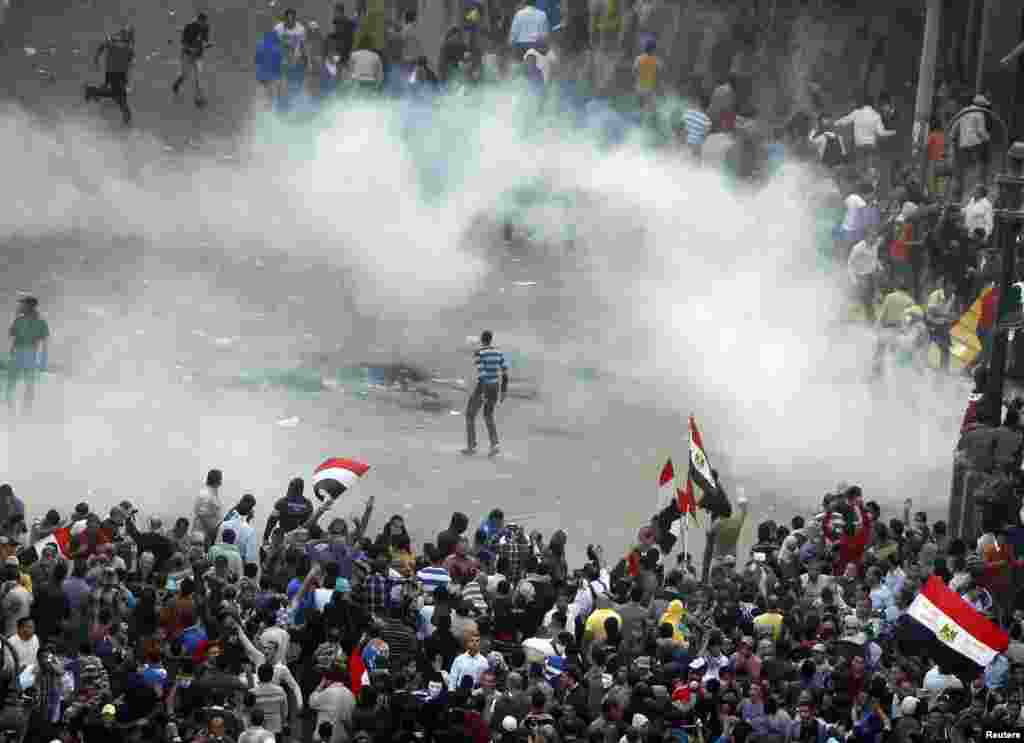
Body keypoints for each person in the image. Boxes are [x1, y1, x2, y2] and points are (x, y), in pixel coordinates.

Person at [462, 330, 509, 457]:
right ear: (490, 339)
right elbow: (505, 372)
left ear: (482, 340)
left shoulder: (479, 353)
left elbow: (482, 373)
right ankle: (495, 445)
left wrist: (482, 392)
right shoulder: (498, 352)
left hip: (484, 386)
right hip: (495, 387)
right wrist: (503, 391)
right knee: (488, 415)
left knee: (470, 414)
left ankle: (472, 446)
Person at [7, 296, 48, 416]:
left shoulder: (23, 320)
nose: (20, 306)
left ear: (29, 306)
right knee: (25, 383)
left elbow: (11, 335)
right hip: (27, 353)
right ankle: (24, 410)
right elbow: (45, 341)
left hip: (24, 353)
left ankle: (16, 410)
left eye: (23, 304)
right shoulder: (39, 321)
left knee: (15, 382)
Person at [85, 26, 134, 124]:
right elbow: (103, 45)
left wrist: (126, 79)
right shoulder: (116, 42)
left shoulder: (127, 46)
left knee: (120, 99)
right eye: (129, 35)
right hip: (114, 73)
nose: (131, 37)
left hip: (118, 74)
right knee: (120, 100)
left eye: (130, 35)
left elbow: (127, 64)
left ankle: (94, 92)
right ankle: (93, 91)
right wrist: (97, 57)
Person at [835, 95, 896, 173]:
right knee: (871, 167)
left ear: (863, 104)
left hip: (859, 144)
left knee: (859, 167)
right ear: (873, 104)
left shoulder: (857, 113)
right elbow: (881, 133)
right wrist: (893, 132)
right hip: (871, 145)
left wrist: (835, 123)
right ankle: (871, 181)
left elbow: (844, 121)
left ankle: (859, 182)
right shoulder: (876, 115)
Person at [172, 13, 212, 106]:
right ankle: (177, 84)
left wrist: (206, 44)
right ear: (198, 20)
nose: (204, 24)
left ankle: (199, 99)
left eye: (205, 23)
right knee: (185, 75)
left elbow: (205, 40)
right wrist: (190, 49)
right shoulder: (189, 27)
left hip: (198, 56)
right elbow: (183, 42)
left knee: (199, 78)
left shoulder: (206, 28)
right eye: (202, 22)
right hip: (187, 55)